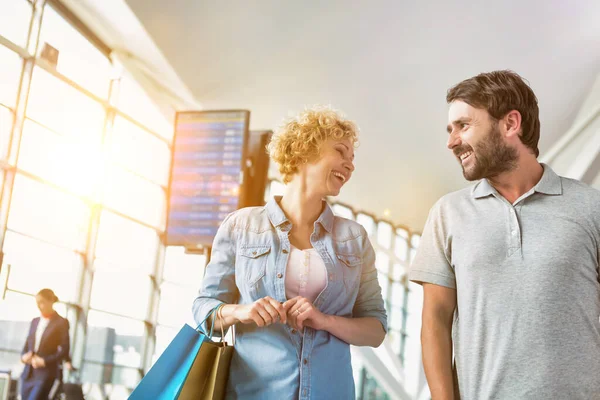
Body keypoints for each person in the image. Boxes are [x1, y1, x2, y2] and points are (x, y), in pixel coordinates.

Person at [409, 70, 600, 399]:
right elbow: (435, 321)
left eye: (464, 125)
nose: (451, 141)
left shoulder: (590, 207)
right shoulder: (448, 213)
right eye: (450, 130)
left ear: (510, 124)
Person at [193, 106, 387, 399]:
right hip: (253, 391)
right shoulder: (241, 226)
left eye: (352, 158)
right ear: (304, 150)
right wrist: (243, 311)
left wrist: (324, 320)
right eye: (340, 151)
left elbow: (376, 330)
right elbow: (204, 310)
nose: (350, 165)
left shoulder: (353, 238)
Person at [20, 288, 70, 400]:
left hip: (45, 374)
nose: (39, 305)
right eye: (37, 302)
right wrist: (24, 357)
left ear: (51, 301)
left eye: (41, 302)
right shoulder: (35, 321)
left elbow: (64, 349)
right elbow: (28, 344)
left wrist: (44, 361)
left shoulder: (61, 322)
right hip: (28, 373)